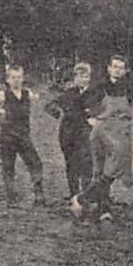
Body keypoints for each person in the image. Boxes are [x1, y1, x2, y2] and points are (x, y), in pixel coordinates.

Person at [75, 55, 133, 223]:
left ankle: (83, 197)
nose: (117, 70)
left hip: (121, 132)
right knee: (99, 170)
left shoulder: (129, 86)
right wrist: (89, 118)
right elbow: (82, 102)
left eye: (120, 67)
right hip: (103, 131)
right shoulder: (101, 86)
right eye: (114, 67)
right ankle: (103, 209)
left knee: (116, 166)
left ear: (125, 70)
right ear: (108, 68)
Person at [0, 64, 45, 208]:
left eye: (19, 77)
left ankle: (39, 196)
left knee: (36, 163)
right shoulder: (2, 94)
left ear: (23, 78)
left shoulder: (27, 93)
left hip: (23, 136)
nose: (16, 80)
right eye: (13, 78)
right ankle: (11, 198)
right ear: (8, 80)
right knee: (8, 167)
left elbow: (37, 97)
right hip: (8, 136)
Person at [46, 62, 94, 209]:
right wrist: (57, 111)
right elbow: (50, 105)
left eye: (85, 76)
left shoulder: (94, 93)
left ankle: (85, 196)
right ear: (75, 78)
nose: (82, 79)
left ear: (89, 78)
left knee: (87, 163)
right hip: (68, 134)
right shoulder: (69, 93)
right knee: (71, 164)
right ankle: (74, 194)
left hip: (86, 133)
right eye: (79, 76)